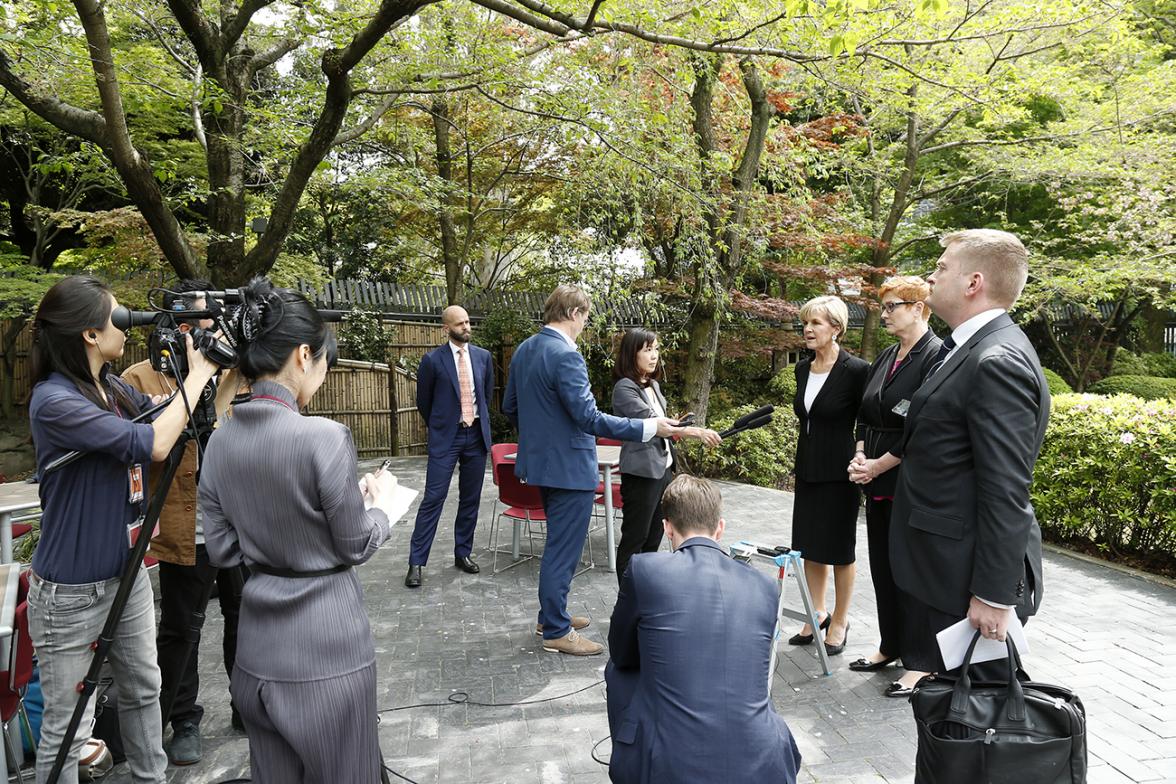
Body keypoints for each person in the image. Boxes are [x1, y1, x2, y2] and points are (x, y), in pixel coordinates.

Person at [200, 278, 395, 783]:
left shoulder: (219, 441)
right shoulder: (324, 437)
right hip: (327, 650)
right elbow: (355, 542)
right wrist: (379, 510)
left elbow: (221, 549)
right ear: (303, 354)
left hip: (256, 651)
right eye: (325, 362)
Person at [26, 275, 218, 783]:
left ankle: (151, 778)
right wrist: (198, 374)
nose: (127, 324)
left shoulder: (109, 386)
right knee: (67, 728)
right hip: (71, 591)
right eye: (117, 315)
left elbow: (167, 421)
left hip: (126, 574)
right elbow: (153, 444)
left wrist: (217, 370)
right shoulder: (55, 400)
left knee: (143, 691)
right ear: (90, 333)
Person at [890, 229, 1049, 681]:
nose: (931, 276)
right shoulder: (970, 348)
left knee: (974, 730)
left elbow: (1005, 487)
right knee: (950, 726)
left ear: (973, 283)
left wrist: (994, 595)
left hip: (963, 582)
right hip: (943, 571)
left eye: (941, 268)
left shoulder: (996, 359)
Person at [502, 284, 688, 656]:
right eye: (586, 317)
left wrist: (545, 434)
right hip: (569, 468)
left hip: (539, 464)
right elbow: (588, 418)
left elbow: (510, 406)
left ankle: (550, 615)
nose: (585, 324)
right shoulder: (566, 356)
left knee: (559, 543)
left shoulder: (525, 349)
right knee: (564, 549)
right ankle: (555, 630)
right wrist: (651, 427)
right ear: (574, 314)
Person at [121, 279, 248, 764]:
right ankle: (184, 718)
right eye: (198, 319)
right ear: (175, 321)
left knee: (245, 615)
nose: (207, 328)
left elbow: (228, 422)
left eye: (211, 319)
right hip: (181, 523)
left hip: (235, 522)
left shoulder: (225, 369)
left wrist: (231, 374)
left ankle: (246, 704)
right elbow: (148, 448)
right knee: (181, 628)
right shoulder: (139, 377)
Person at [605, 474, 802, 784]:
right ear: (719, 528)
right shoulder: (765, 586)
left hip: (668, 765)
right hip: (765, 760)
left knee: (618, 670)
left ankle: (633, 751)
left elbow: (621, 652)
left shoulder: (645, 569)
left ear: (666, 527)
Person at [844, 276, 941, 697]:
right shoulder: (887, 354)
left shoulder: (937, 356)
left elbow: (925, 424)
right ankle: (891, 644)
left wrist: (880, 464)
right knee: (882, 566)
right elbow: (866, 412)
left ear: (919, 307)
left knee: (912, 570)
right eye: (882, 307)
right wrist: (861, 455)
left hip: (908, 479)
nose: (883, 314)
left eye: (892, 306)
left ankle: (921, 662)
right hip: (876, 477)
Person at [788, 295, 869, 656]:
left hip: (841, 472)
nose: (807, 329)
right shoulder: (802, 369)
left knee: (839, 549)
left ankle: (839, 618)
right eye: (805, 323)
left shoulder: (856, 370)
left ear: (835, 328)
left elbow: (866, 420)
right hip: (807, 468)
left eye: (815, 323)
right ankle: (815, 612)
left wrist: (863, 454)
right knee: (809, 546)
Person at [611, 328, 720, 584]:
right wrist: (697, 432)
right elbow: (655, 424)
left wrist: (680, 430)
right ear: (631, 353)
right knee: (634, 539)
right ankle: (628, 601)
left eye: (656, 349)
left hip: (663, 472)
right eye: (647, 350)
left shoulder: (654, 386)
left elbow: (666, 430)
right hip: (641, 474)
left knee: (654, 539)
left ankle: (645, 594)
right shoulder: (624, 388)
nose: (654, 356)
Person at [404, 305, 494, 588]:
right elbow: (424, 402)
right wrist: (442, 425)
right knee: (433, 498)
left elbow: (486, 394)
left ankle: (463, 553)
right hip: (447, 437)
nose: (466, 327)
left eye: (468, 321)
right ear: (446, 328)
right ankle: (416, 562)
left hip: (476, 435)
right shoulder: (432, 360)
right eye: (460, 324)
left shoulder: (483, 357)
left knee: (471, 498)